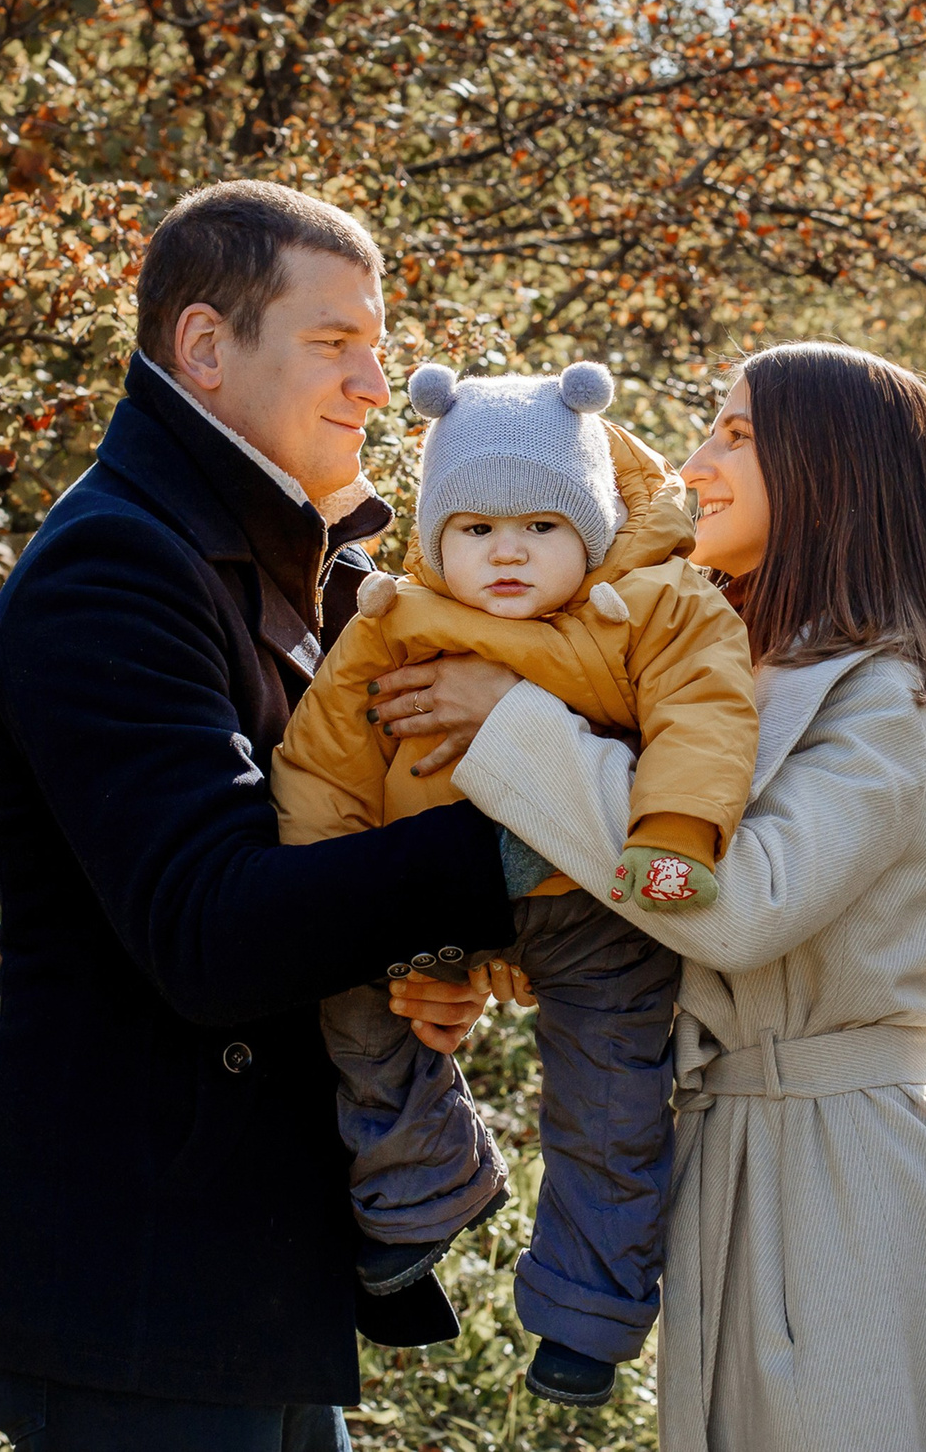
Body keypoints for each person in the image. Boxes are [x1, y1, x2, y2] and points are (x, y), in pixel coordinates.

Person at [369, 342, 926, 1451]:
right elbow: (625, 906)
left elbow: (738, 908)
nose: (695, 462)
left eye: (733, 434)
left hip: (849, 1182)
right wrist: (474, 966)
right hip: (732, 1163)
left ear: (828, 467)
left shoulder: (889, 692)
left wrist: (510, 722)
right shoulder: (728, 661)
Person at [0, 181, 522, 1452]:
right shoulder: (116, 567)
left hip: (250, 1266)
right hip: (139, 1284)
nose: (376, 382)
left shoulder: (309, 564)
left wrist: (430, 960)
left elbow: (341, 858)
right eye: (334, 342)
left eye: (377, 342)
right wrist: (521, 844)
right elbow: (213, 932)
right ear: (204, 349)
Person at [272, 360, 756, 1407]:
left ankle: (590, 1308)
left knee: (612, 1097)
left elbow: (705, 718)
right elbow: (322, 762)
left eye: (541, 528)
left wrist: (671, 831)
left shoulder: (655, 606)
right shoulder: (392, 616)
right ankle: (416, 1193)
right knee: (358, 1022)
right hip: (424, 889)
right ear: (437, 536)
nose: (506, 553)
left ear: (585, 528)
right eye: (477, 530)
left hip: (589, 900)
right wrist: (324, 895)